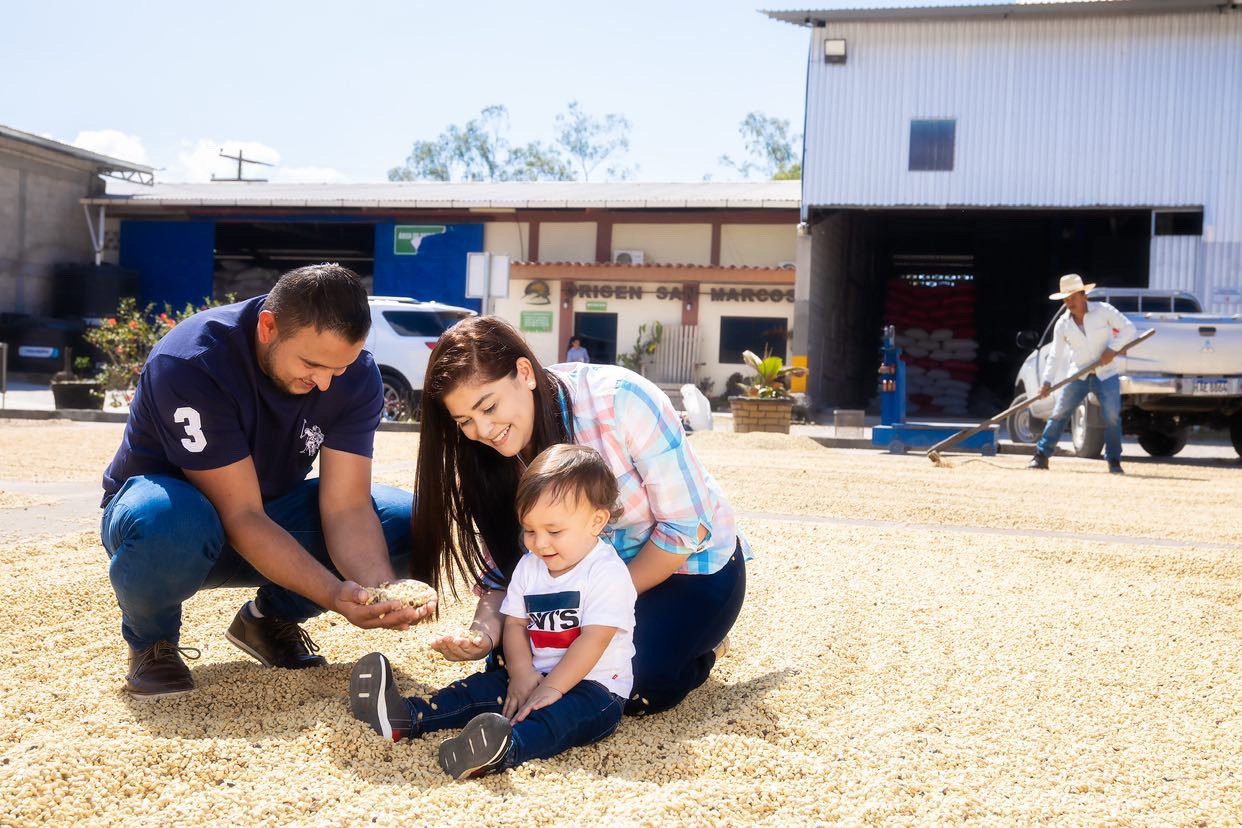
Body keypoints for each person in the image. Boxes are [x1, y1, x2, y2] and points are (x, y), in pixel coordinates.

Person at [100, 263, 433, 698]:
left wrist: (380, 589)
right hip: (170, 523)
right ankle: (153, 643)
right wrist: (334, 594)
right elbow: (240, 514)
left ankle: (268, 621)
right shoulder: (192, 362)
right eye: (312, 364)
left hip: (269, 517)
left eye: (340, 367)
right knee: (171, 520)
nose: (324, 382)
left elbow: (347, 506)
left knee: (410, 522)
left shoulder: (351, 376)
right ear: (268, 326)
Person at [413, 315, 748, 716]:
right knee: (514, 670)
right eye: (464, 421)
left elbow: (684, 529)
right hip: (576, 587)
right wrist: (484, 633)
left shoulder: (621, 401)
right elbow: (503, 564)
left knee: (626, 683)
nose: (483, 430)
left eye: (489, 407)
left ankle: (701, 650)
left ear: (524, 372)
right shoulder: (488, 453)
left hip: (689, 570)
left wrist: (592, 604)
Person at [349, 443, 635, 779]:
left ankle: (503, 748)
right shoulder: (531, 567)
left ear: (596, 521)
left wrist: (552, 688)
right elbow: (514, 625)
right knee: (479, 691)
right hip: (534, 674)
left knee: (557, 720)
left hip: (596, 689)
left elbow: (594, 640)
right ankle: (406, 716)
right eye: (529, 530)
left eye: (554, 531)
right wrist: (521, 672)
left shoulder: (606, 572)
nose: (539, 543)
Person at [1028, 273, 1137, 474]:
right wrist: (1046, 381)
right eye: (1066, 299)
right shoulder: (1063, 324)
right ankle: (1041, 456)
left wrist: (1112, 350)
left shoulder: (1104, 311)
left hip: (1107, 373)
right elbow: (1055, 355)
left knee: (1112, 417)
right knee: (1059, 413)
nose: (1070, 303)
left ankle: (1114, 460)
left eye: (1073, 298)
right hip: (1078, 374)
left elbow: (1129, 329)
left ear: (1083, 295)